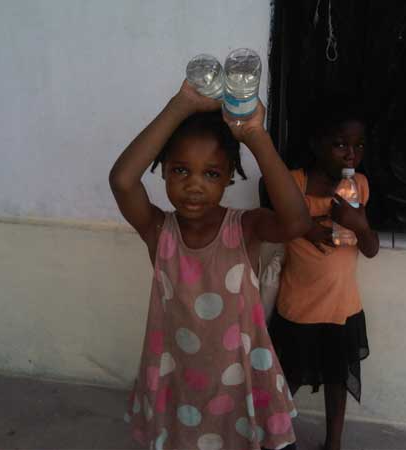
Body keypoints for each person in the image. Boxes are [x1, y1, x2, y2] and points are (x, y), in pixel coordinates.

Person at [109, 80, 311, 450]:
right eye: (181, 171)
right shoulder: (159, 231)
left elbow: (297, 222)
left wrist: (255, 135)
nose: (194, 186)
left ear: (230, 176)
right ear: (164, 171)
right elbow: (122, 181)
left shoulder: (246, 228)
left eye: (211, 173)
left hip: (245, 383)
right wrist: (178, 107)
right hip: (179, 385)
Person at [269, 101, 379, 450]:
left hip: (341, 307)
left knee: (337, 379)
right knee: (288, 377)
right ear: (317, 144)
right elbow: (274, 225)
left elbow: (371, 248)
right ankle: (273, 436)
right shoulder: (294, 183)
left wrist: (359, 224)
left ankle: (333, 443)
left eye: (359, 145)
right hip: (299, 305)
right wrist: (308, 229)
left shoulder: (359, 185)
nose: (351, 154)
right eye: (341, 144)